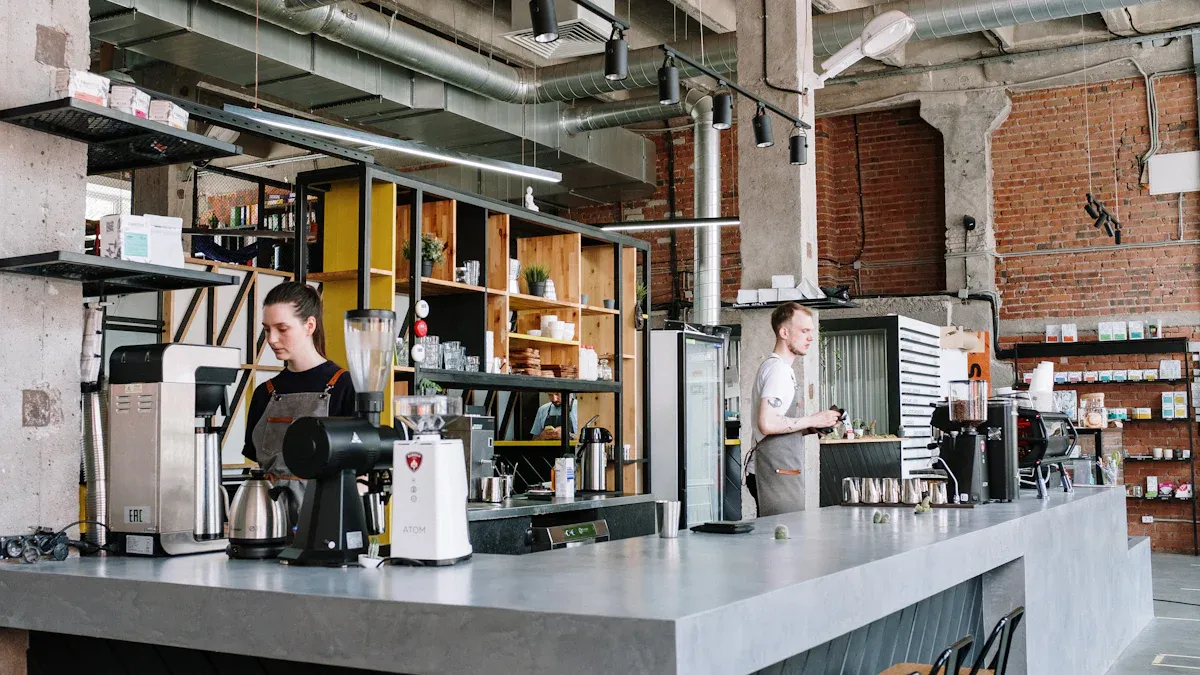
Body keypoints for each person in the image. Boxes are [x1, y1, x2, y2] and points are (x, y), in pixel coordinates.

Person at [243, 282, 356, 530]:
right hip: (267, 524)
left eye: (282, 329)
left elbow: (361, 473)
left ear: (310, 326)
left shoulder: (345, 387)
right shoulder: (265, 393)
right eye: (267, 329)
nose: (272, 339)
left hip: (326, 525)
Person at [748, 302, 842, 517]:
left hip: (779, 469)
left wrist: (814, 426)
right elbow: (768, 423)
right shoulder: (778, 370)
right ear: (784, 332)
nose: (810, 337)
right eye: (804, 331)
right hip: (775, 471)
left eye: (811, 331)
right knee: (782, 539)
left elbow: (778, 423)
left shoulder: (781, 369)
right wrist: (812, 419)